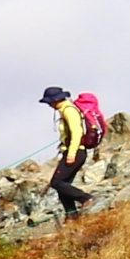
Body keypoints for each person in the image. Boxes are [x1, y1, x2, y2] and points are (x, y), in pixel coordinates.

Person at [43, 85, 97, 218]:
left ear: (55, 100)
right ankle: (72, 216)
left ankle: (86, 198)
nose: (49, 105)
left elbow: (77, 133)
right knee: (63, 186)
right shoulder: (65, 109)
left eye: (50, 102)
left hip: (76, 152)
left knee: (57, 182)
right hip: (72, 151)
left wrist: (71, 153)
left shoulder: (69, 110)